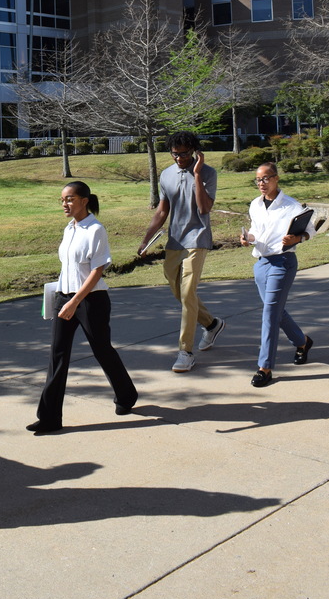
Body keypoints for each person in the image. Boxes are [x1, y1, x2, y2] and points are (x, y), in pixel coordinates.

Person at [27, 181, 137, 434]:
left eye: (70, 199)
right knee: (58, 355)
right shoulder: (70, 228)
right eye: (62, 200)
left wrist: (75, 301)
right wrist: (60, 299)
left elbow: (98, 270)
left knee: (102, 351)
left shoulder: (95, 229)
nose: (65, 204)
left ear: (84, 200)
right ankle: (49, 418)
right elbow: (69, 267)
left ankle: (126, 395)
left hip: (90, 301)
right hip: (63, 298)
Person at [137, 131, 225, 373]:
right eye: (174, 154)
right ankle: (212, 323)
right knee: (178, 291)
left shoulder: (208, 173)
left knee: (188, 293)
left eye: (184, 153)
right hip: (175, 240)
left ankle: (185, 351)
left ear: (194, 151)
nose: (178, 158)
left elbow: (204, 207)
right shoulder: (166, 175)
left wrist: (196, 174)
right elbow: (162, 212)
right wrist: (146, 239)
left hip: (197, 239)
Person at [240, 162, 315, 387]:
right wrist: (248, 238)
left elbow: (310, 231)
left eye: (266, 179)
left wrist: (297, 239)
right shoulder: (255, 204)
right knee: (276, 311)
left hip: (283, 263)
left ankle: (265, 367)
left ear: (276, 178)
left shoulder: (292, 206)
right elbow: (256, 231)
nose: (261, 184)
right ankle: (302, 342)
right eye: (258, 180)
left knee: (270, 314)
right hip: (261, 264)